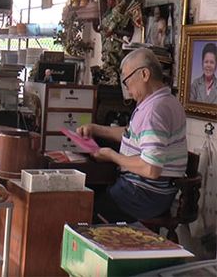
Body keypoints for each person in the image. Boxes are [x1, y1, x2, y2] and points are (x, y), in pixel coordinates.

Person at [77, 48, 187, 223]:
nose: (127, 90)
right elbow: (132, 135)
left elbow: (151, 168)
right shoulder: (165, 100)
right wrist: (96, 128)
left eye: (127, 81)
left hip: (144, 193)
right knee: (90, 193)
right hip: (150, 190)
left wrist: (113, 156)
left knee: (83, 213)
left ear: (144, 74)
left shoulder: (155, 111)